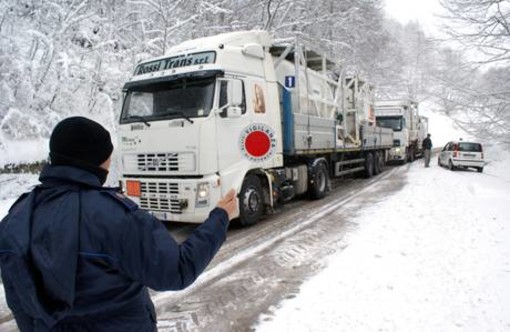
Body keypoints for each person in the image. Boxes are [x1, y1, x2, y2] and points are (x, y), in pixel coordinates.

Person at [0, 116, 237, 331]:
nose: (109, 164)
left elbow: (19, 302)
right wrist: (220, 217)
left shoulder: (15, 218)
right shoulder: (115, 217)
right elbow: (175, 271)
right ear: (93, 162)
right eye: (107, 159)